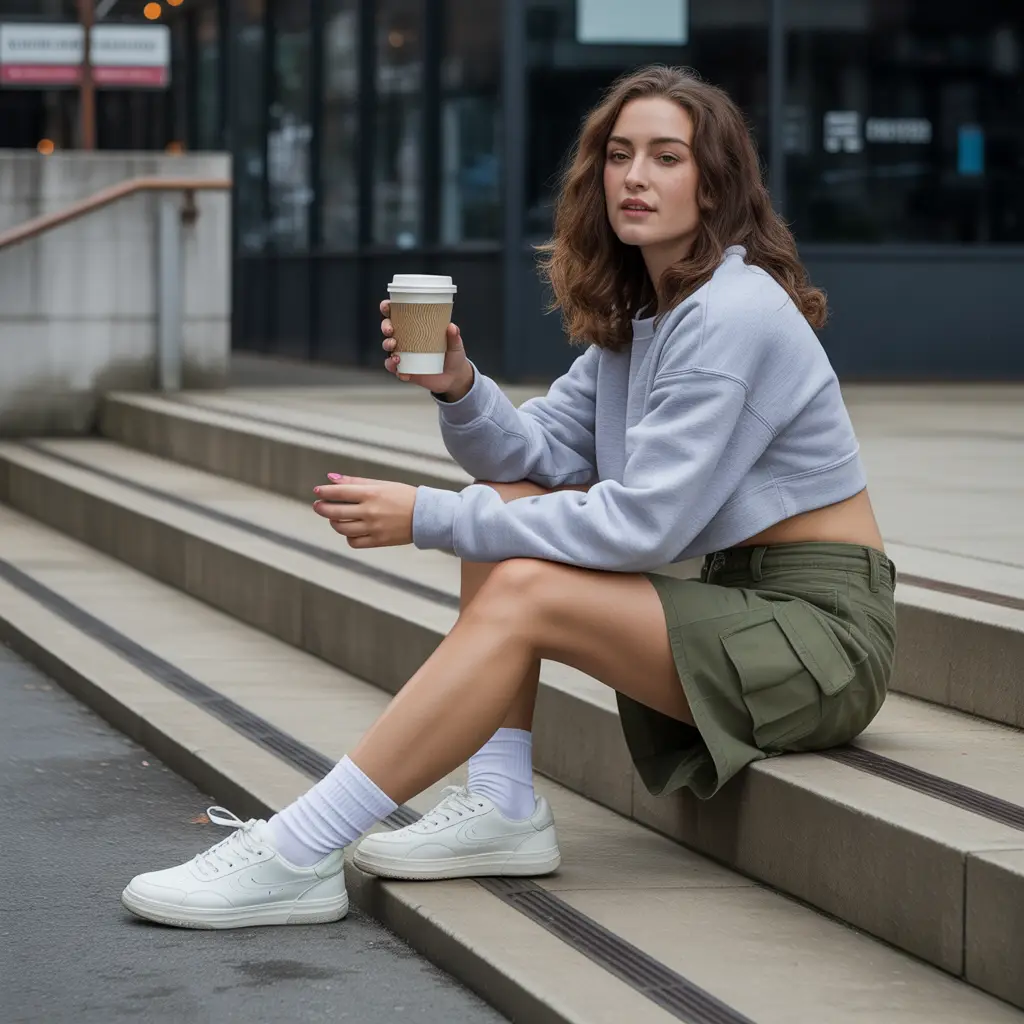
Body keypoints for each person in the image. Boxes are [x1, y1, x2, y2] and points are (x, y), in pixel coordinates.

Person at [121, 65, 897, 929]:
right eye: (619, 154)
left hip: (820, 637)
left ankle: (298, 850)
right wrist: (458, 386)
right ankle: (501, 803)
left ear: (714, 184)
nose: (635, 177)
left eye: (667, 158)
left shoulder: (729, 315)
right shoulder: (651, 315)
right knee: (508, 494)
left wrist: (426, 518)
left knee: (519, 570)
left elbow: (642, 525)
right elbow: (536, 455)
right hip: (743, 602)